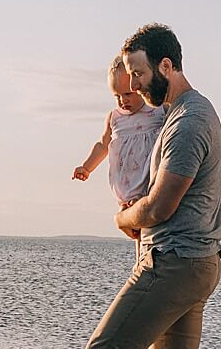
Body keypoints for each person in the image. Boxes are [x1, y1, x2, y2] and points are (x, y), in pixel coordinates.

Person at [35, 22, 221, 349]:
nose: (135, 83)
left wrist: (123, 218)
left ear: (166, 66)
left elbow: (159, 206)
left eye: (140, 72)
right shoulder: (179, 115)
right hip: (194, 260)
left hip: (173, 259)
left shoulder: (187, 123)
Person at [71, 57, 166, 239]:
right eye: (117, 96)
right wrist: (87, 167)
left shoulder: (156, 110)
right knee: (137, 230)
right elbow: (103, 144)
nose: (123, 101)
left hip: (148, 180)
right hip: (126, 183)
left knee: (148, 227)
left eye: (128, 94)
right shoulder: (115, 118)